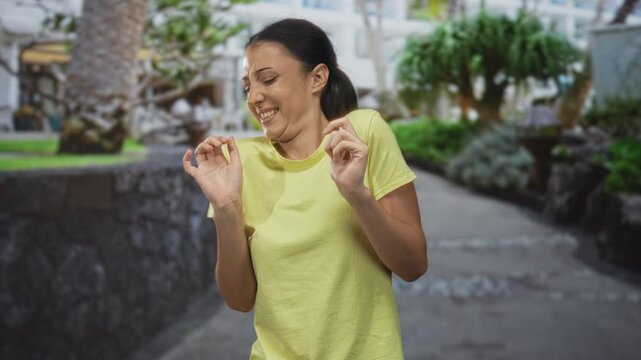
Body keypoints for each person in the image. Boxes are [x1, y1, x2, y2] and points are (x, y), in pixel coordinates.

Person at [183, 18, 428, 359]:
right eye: (247, 86)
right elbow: (239, 300)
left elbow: (413, 264)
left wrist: (357, 195)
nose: (254, 97)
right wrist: (226, 208)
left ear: (317, 78)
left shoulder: (362, 134)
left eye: (267, 79)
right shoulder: (241, 161)